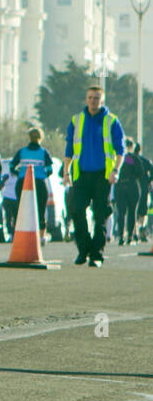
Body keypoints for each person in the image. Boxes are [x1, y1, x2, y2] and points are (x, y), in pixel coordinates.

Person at [65, 86, 125, 267]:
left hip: (103, 176)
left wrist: (116, 170)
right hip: (81, 175)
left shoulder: (111, 121)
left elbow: (120, 150)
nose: (93, 101)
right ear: (86, 99)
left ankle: (96, 254)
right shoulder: (76, 120)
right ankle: (83, 249)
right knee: (76, 210)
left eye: (97, 98)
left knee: (101, 214)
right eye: (90, 98)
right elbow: (69, 148)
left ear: (102, 101)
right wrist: (66, 171)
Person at [8, 126, 53, 242]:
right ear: (40, 137)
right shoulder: (44, 152)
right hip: (40, 182)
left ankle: (18, 235)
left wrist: (20, 174)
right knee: (41, 209)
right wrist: (42, 174)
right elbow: (50, 170)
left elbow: (11, 166)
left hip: (23, 182)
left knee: (21, 209)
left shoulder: (22, 152)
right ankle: (42, 236)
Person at [114, 139, 144, 245]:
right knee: (126, 213)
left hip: (125, 186)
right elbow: (140, 172)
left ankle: (125, 236)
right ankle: (125, 236)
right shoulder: (130, 158)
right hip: (129, 186)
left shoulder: (122, 158)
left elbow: (140, 172)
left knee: (126, 212)